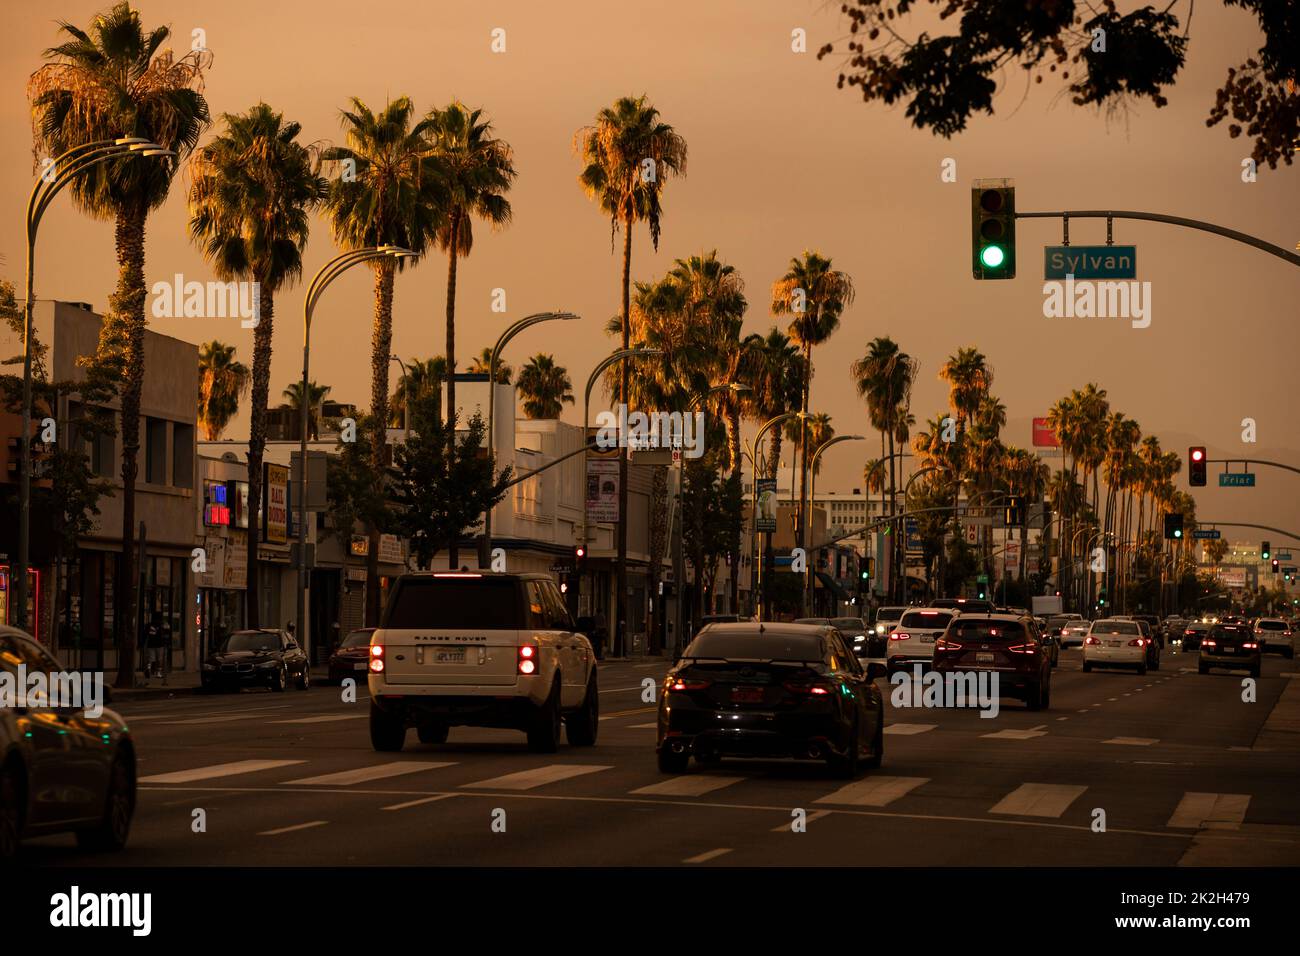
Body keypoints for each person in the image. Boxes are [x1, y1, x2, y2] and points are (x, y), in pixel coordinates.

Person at [143, 612, 169, 685]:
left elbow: (145, 634)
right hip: (160, 644)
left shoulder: (149, 625)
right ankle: (158, 672)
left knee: (151, 658)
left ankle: (148, 668)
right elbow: (167, 633)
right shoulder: (163, 624)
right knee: (159, 659)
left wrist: (143, 642)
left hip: (151, 644)